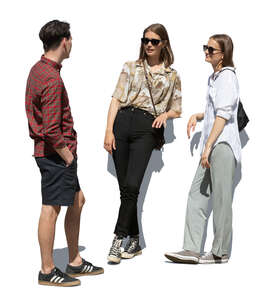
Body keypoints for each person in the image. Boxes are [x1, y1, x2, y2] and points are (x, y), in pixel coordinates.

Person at [25, 20, 103, 286]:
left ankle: (75, 261)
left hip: (55, 153)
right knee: (51, 208)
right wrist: (67, 155)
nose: (72, 44)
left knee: (77, 200)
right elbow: (51, 130)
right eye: (71, 39)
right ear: (65, 41)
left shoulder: (40, 69)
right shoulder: (51, 79)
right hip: (56, 154)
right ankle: (47, 270)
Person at [104, 23, 182, 264]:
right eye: (145, 40)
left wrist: (165, 116)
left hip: (146, 129)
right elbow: (116, 100)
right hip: (122, 124)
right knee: (126, 189)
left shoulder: (171, 75)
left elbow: (177, 109)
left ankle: (118, 240)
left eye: (154, 41)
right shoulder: (130, 67)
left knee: (132, 186)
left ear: (164, 44)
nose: (149, 44)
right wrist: (108, 131)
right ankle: (135, 238)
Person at [165, 34, 241, 264]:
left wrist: (207, 146)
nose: (206, 52)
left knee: (221, 199)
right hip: (213, 146)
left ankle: (220, 252)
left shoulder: (227, 77)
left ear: (223, 54)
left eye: (211, 49)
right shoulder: (214, 78)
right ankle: (191, 249)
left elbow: (224, 114)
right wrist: (199, 116)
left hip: (222, 146)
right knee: (197, 195)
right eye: (205, 47)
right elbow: (216, 110)